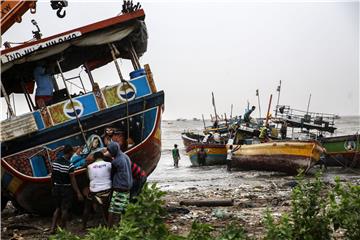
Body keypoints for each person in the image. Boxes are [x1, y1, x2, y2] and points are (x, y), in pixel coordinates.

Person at [50, 144, 84, 234]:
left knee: (57, 208)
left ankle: (52, 228)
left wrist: (52, 188)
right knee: (64, 209)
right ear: (69, 153)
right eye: (72, 153)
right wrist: (78, 193)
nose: (73, 154)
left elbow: (52, 177)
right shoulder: (70, 165)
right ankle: (62, 228)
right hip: (66, 189)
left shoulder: (55, 162)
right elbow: (73, 181)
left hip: (56, 187)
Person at [104, 142, 133, 227]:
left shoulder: (116, 161)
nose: (110, 152)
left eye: (110, 151)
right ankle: (121, 226)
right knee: (123, 209)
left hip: (120, 186)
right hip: (128, 186)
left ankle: (109, 228)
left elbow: (111, 174)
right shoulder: (125, 156)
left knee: (112, 209)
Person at [82, 151, 112, 229]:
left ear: (94, 158)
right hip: (108, 191)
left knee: (87, 207)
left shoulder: (89, 167)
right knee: (106, 207)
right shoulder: (109, 164)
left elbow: (89, 178)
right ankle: (108, 224)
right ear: (103, 157)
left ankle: (84, 226)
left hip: (95, 192)